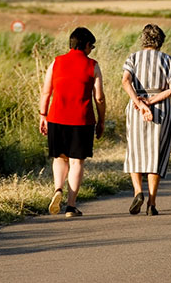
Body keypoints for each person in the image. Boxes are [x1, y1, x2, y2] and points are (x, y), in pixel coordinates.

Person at [39, 27, 106, 217]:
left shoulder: (56, 62)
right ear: (85, 45)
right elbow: (99, 98)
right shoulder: (93, 65)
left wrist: (42, 115)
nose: (91, 50)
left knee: (60, 157)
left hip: (56, 117)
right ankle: (70, 206)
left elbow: (46, 92)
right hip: (82, 120)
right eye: (91, 46)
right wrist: (101, 121)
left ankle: (58, 189)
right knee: (77, 162)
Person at [122, 24, 171, 216]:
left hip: (135, 107)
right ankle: (151, 203)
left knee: (135, 150)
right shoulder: (168, 60)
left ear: (143, 39)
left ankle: (137, 191)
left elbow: (125, 81)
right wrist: (152, 100)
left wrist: (140, 103)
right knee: (156, 153)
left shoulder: (133, 58)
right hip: (160, 108)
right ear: (161, 41)